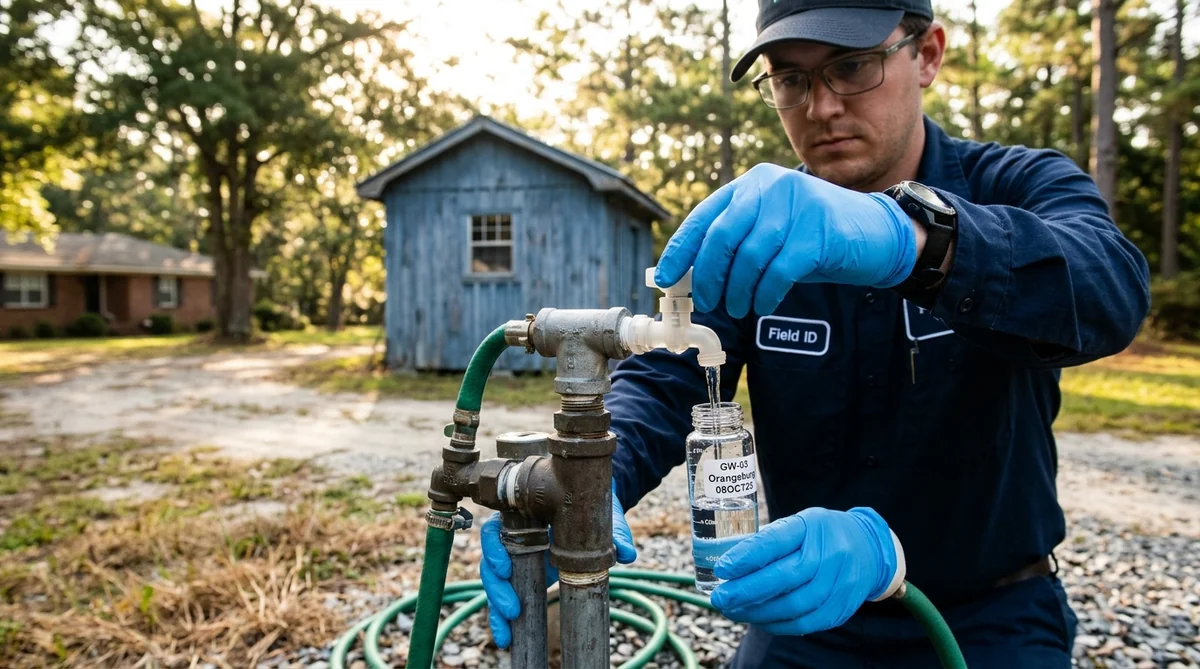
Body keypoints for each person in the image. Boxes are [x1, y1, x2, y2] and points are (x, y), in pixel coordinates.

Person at [478, 0, 1151, 666]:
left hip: (987, 612)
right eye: (791, 78)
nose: (821, 107)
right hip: (810, 614)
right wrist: (589, 487)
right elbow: (664, 378)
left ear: (929, 55)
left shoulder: (1017, 184)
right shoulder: (761, 229)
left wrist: (921, 242)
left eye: (852, 66)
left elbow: (1109, 289)